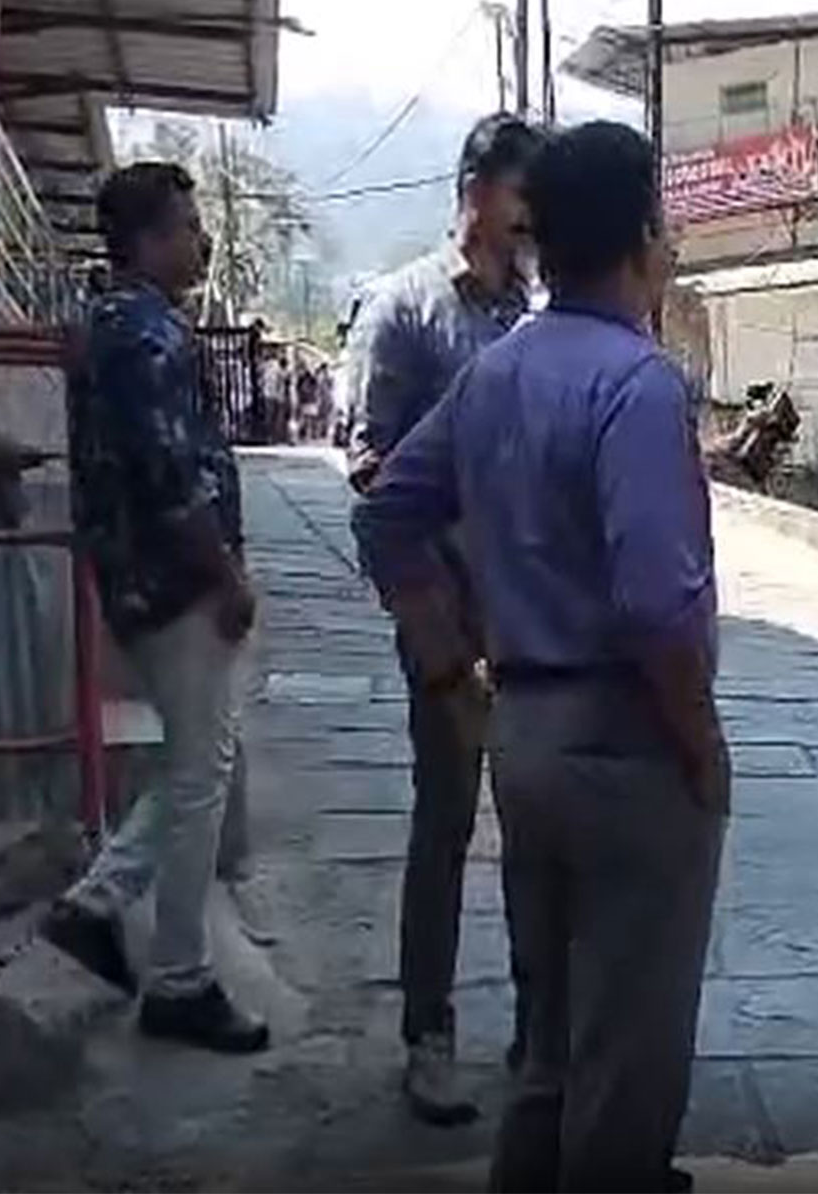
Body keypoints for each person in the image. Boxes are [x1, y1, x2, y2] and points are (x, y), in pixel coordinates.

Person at [353, 120, 725, 1193]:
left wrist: (444, 661)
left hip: (524, 731)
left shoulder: (496, 373)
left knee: (550, 1039)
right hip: (626, 741)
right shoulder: (639, 384)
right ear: (646, 236)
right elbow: (658, 604)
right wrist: (699, 744)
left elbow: (386, 521)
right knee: (629, 1050)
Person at [344, 111, 544, 1125]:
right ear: (477, 190)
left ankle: (538, 1034)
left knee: (538, 828)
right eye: (522, 197)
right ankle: (429, 1035)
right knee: (446, 825)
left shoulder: (534, 314)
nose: (531, 220)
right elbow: (375, 479)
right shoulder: (405, 312)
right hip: (449, 624)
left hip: (534, 624)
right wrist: (434, 638)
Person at [41, 162, 266, 1053]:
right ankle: (180, 976)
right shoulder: (147, 337)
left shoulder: (109, 324)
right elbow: (171, 478)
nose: (200, 239)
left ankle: (96, 904)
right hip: (174, 585)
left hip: (138, 580)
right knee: (201, 773)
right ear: (142, 241)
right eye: (185, 225)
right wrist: (225, 576)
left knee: (196, 763)